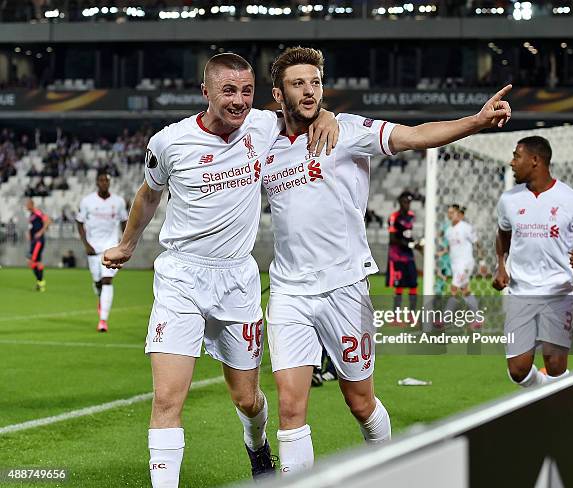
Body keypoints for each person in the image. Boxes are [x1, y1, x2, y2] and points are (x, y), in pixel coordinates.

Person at [263, 46, 512, 475]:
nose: (309, 91)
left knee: (359, 401)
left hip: (344, 288)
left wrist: (474, 121)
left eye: (315, 82)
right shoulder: (260, 137)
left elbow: (413, 136)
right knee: (290, 405)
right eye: (297, 83)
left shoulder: (348, 130)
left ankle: (390, 470)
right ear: (277, 94)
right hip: (289, 291)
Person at [102, 53, 337, 487]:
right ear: (205, 92)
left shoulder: (264, 127)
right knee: (168, 398)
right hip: (181, 278)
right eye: (228, 90)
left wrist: (329, 116)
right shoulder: (169, 142)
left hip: (237, 281)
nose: (239, 101)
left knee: (247, 399)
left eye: (246, 91)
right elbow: (149, 195)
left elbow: (307, 106)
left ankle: (257, 445)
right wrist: (127, 243)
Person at [493, 136, 573, 387]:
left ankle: (559, 409)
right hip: (520, 292)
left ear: (535, 160)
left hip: (558, 292)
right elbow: (502, 234)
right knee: (518, 371)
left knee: (555, 366)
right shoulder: (508, 200)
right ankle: (545, 393)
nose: (511, 163)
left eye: (516, 156)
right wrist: (501, 265)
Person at [76, 171, 128, 332]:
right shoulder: (87, 201)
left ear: (110, 182)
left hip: (110, 247)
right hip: (93, 249)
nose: (104, 183)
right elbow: (79, 222)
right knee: (98, 282)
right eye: (101, 180)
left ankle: (103, 320)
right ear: (97, 182)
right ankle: (101, 297)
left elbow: (124, 221)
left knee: (107, 280)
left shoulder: (118, 201)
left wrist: (123, 245)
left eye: (106, 180)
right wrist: (86, 245)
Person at [442, 204, 481, 327]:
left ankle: (445, 319)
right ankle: (477, 318)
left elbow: (477, 243)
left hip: (465, 263)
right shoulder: (448, 231)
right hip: (455, 264)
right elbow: (451, 247)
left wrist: (483, 262)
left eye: (452, 212)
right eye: (448, 212)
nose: (450, 215)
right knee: (465, 291)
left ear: (458, 214)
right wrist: (440, 252)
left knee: (454, 288)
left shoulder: (466, 228)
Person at [387, 191, 421, 316]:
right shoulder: (394, 217)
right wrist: (411, 245)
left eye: (409, 202)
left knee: (413, 285)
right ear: (400, 202)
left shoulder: (411, 216)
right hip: (397, 257)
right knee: (399, 286)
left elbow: (408, 236)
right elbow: (392, 239)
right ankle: (395, 316)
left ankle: (412, 315)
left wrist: (416, 244)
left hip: (409, 256)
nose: (407, 204)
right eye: (405, 202)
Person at [25, 198, 50, 291]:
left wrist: (40, 232)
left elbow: (47, 221)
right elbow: (31, 227)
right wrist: (29, 234)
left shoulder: (37, 212)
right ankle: (40, 283)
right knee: (36, 262)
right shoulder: (31, 215)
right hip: (34, 242)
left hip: (38, 241)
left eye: (27, 204)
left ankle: (41, 282)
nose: (26, 206)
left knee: (32, 261)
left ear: (31, 204)